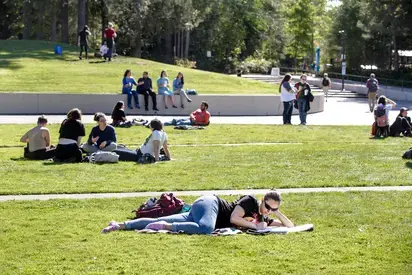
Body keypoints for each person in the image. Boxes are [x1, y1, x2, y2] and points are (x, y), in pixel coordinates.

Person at [101, 191, 294, 235]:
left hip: (199, 214)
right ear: (262, 200)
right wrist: (255, 226)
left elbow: (290, 227)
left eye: (272, 208)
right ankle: (167, 227)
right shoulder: (250, 200)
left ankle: (120, 224)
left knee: (159, 217)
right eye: (268, 206)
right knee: (206, 228)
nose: (268, 210)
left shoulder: (265, 217)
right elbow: (235, 218)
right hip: (210, 204)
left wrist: (277, 214)